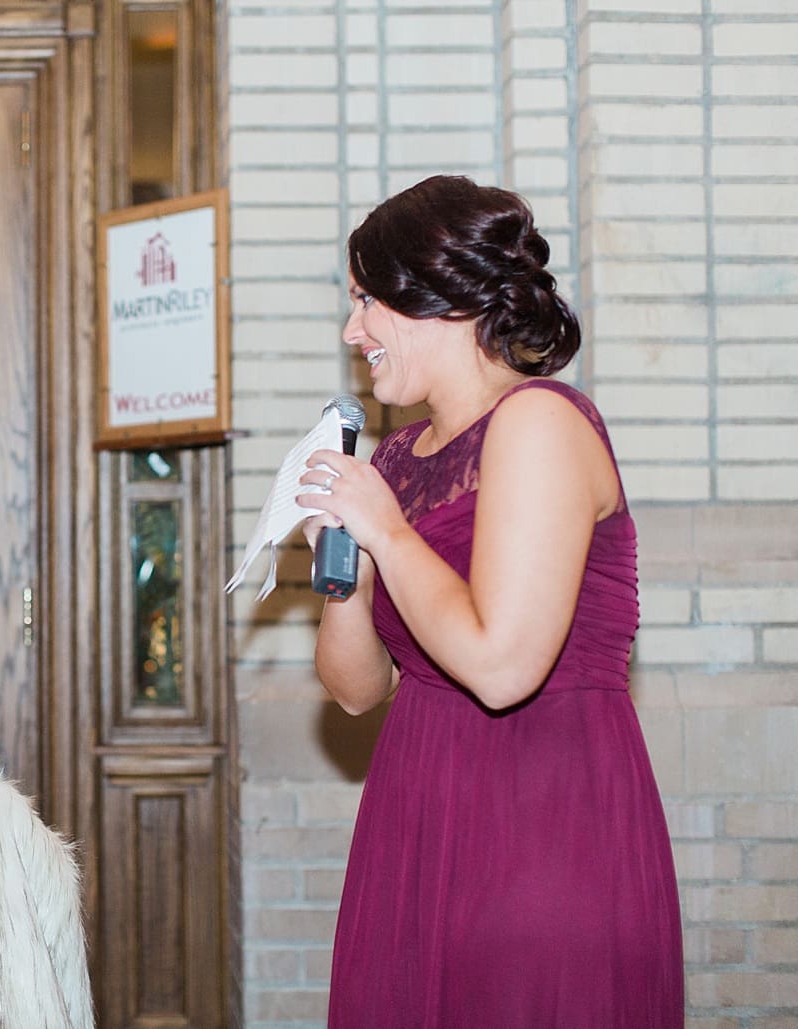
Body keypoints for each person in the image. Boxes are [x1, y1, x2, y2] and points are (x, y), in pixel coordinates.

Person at [296, 176, 683, 1027]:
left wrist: (386, 531)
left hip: (541, 822)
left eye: (365, 300)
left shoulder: (541, 420)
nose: (352, 331)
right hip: (414, 808)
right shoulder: (394, 459)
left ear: (440, 297)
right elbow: (356, 690)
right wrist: (343, 569)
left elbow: (503, 668)